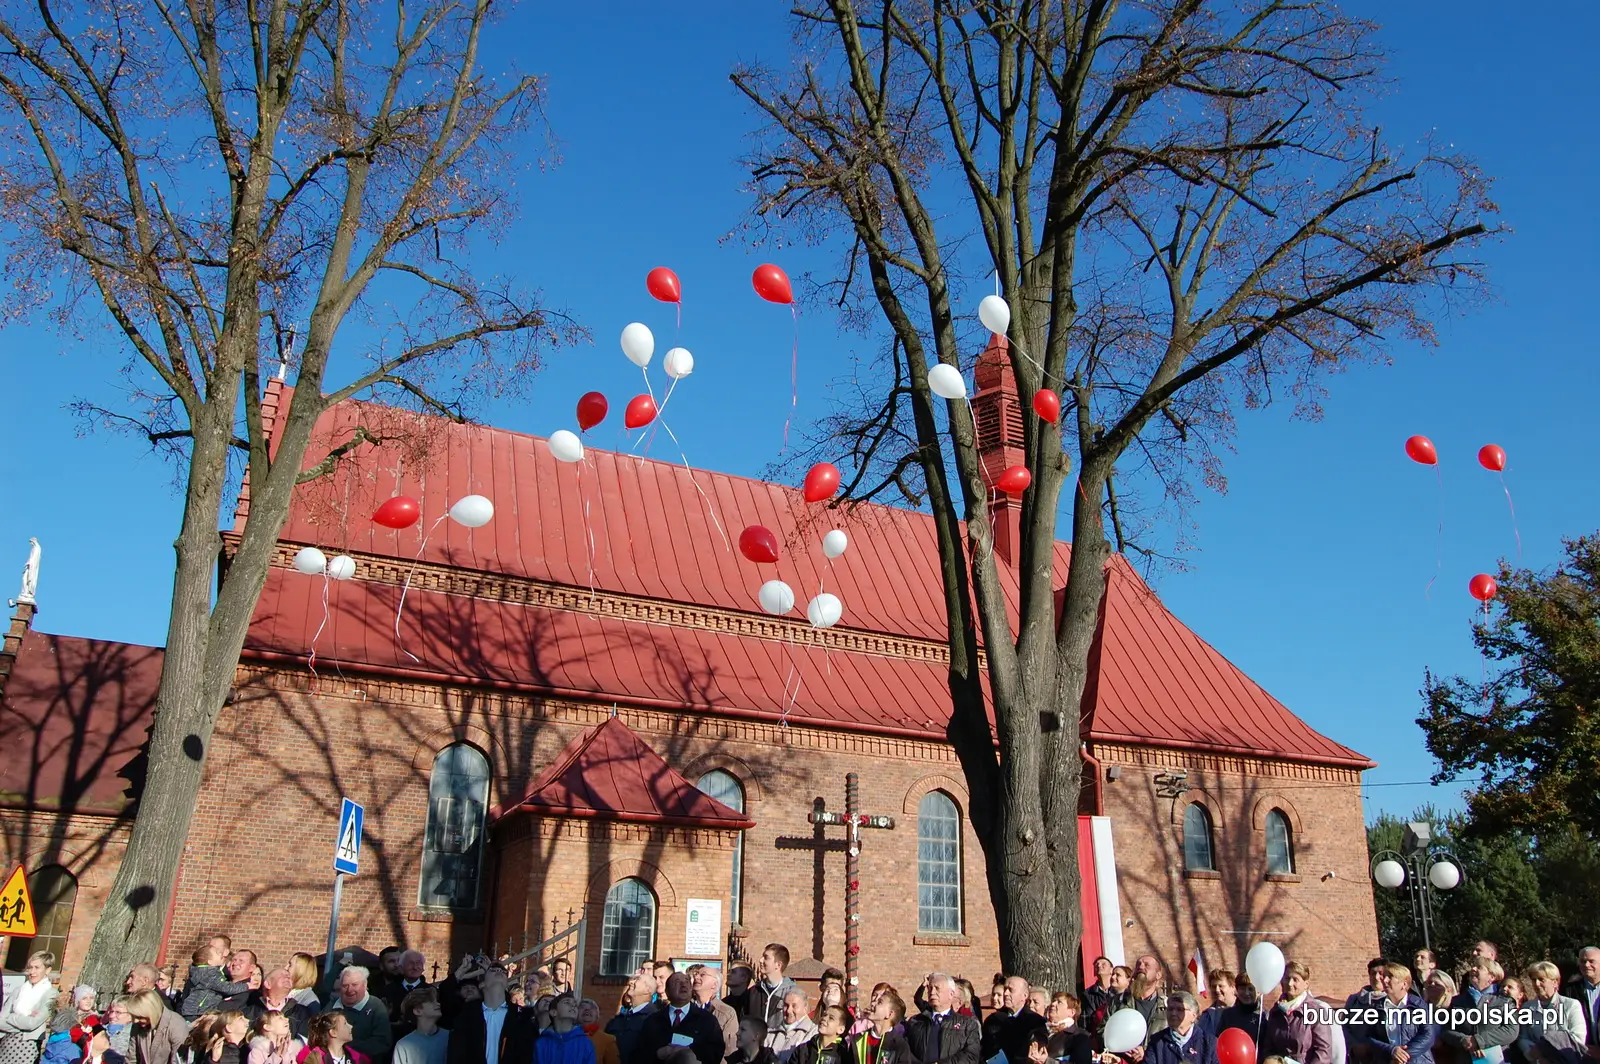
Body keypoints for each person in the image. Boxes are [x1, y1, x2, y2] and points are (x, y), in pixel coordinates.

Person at [1347, 965, 1434, 1064]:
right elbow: (1369, 1037)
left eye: (1390, 977)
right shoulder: (1376, 1007)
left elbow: (1428, 1035)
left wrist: (1403, 1056)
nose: (1385, 980)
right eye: (1384, 976)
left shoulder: (1418, 1005)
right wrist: (1391, 1050)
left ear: (1404, 984)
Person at [446, 969, 531, 1064]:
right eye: (493, 970)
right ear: (482, 985)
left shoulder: (520, 1016)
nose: (499, 971)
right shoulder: (465, 1016)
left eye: (503, 972)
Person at [635, 974, 724, 1064]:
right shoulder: (653, 1020)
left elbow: (716, 1051)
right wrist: (657, 1053)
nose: (683, 985)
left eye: (687, 982)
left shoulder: (706, 1019)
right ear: (667, 991)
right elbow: (641, 1053)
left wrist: (688, 1052)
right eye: (677, 982)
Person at [1438, 962, 1515, 1064]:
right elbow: (1444, 1029)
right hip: (1465, 1059)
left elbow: (1511, 1030)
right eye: (1473, 966)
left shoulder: (1504, 1001)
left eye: (1479, 967)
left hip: (1496, 1060)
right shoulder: (1456, 1001)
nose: (1473, 969)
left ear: (1491, 977)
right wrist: (1463, 1040)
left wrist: (1478, 1041)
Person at [1259, 964, 1330, 1064]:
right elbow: (1268, 1048)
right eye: (1287, 978)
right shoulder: (1275, 1012)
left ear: (1306, 984)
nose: (1290, 983)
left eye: (1295, 979)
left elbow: (1323, 1051)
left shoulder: (1315, 1012)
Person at [903, 975, 978, 1064]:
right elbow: (905, 1051)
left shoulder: (967, 1025)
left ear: (951, 994)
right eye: (930, 988)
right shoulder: (915, 1021)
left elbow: (971, 1056)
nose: (932, 992)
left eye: (937, 988)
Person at [1, 952, 59, 1064]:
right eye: (30, 967)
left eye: (37, 967)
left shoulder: (51, 994)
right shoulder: (18, 990)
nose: (32, 972)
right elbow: (1, 1020)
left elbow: (32, 1024)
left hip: (28, 1047)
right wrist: (22, 1022)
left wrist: (11, 1017)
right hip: (6, 1044)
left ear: (47, 970)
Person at [331, 969, 392, 1064]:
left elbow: (382, 1043)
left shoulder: (376, 1006)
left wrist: (345, 1048)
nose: (349, 990)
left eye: (354, 985)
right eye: (345, 985)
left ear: (365, 985)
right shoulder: (331, 1006)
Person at [181, 947, 252, 1022]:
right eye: (217, 953)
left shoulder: (206, 971)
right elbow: (226, 988)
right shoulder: (209, 974)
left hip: (195, 1010)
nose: (221, 954)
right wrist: (246, 986)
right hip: (197, 1011)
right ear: (210, 962)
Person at [1143, 993, 1213, 1064]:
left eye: (1180, 1009)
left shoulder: (1208, 1043)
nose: (1173, 1013)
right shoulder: (1157, 1042)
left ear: (1194, 1016)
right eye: (1170, 1009)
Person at [607, 974, 660, 1064]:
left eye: (637, 980)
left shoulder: (654, 1019)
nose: (631, 982)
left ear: (647, 990)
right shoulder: (619, 1018)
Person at [128, 989, 191, 1064]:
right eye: (133, 1016)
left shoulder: (177, 1026)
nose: (135, 1021)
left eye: (140, 1017)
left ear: (152, 1011)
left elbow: (178, 1061)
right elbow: (132, 1058)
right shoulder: (138, 1025)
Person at [843, 993, 909, 1064]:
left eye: (880, 1002)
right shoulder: (858, 1040)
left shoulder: (899, 1045)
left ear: (889, 1014)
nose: (872, 1004)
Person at [689, 968, 738, 1059]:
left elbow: (729, 1050)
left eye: (702, 975)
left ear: (714, 985)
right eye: (696, 974)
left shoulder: (727, 1012)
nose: (696, 977)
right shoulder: (685, 1007)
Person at [749, 951, 798, 1038]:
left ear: (778, 965)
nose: (761, 960)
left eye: (766, 957)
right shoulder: (754, 991)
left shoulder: (792, 992)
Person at [392, 990, 447, 1064]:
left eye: (437, 1001)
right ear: (417, 1011)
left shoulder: (451, 1037)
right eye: (431, 1001)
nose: (438, 1004)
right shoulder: (403, 1046)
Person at [536, 996, 595, 1064]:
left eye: (575, 1005)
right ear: (554, 1012)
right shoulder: (541, 1042)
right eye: (567, 1002)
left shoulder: (585, 1042)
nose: (573, 1005)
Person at [765, 994, 819, 1064]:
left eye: (794, 1006)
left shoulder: (813, 1032)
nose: (788, 1010)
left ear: (805, 1008)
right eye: (786, 1005)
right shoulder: (770, 1031)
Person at [299, 1012, 369, 1064]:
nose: (351, 1026)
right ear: (333, 1033)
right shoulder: (315, 1059)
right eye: (345, 1024)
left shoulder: (357, 1058)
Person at [1194, 974, 1234, 1044]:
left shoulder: (1242, 1013)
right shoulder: (1205, 1017)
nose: (1217, 990)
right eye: (1213, 986)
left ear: (1232, 987)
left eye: (1221, 986)